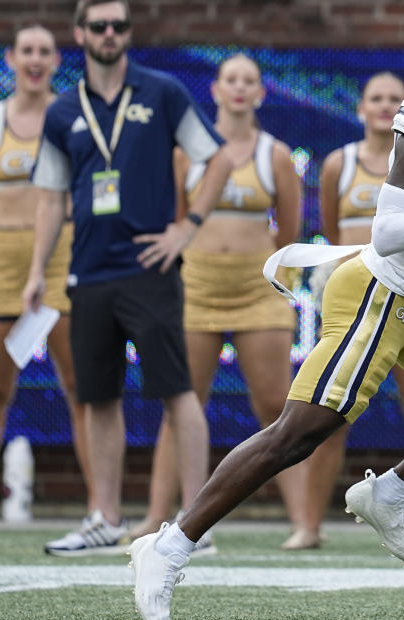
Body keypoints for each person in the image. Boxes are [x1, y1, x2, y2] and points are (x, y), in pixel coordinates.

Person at [129, 10, 404, 620]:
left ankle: (389, 492)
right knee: (298, 433)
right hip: (376, 290)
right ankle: (169, 545)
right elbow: (386, 235)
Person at [22, 0, 233, 556]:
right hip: (89, 270)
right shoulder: (63, 109)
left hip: (150, 267)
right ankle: (105, 518)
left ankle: (196, 521)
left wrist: (185, 228)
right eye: (99, 25)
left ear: (128, 34)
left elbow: (218, 160)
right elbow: (49, 199)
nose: (109, 33)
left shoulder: (161, 92)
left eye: (118, 25)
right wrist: (37, 270)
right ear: (80, 34)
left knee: (178, 390)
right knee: (97, 397)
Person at [125, 53, 302, 548]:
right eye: (231, 80)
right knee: (181, 403)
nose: (240, 88)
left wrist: (277, 284)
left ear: (261, 94)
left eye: (250, 80)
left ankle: (304, 523)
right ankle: (159, 517)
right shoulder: (187, 154)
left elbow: (288, 236)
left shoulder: (277, 155)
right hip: (197, 288)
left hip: (257, 292)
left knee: (279, 407)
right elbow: (178, 224)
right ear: (216, 91)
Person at [284, 71, 404, 553]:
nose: (384, 106)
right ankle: (309, 526)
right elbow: (335, 234)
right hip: (357, 299)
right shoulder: (339, 163)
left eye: (393, 99)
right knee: (328, 414)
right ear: (361, 108)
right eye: (375, 98)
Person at [0, 25, 92, 528]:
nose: (35, 60)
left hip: (62, 257)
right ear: (11, 59)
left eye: (44, 52)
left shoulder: (73, 119)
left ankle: (102, 510)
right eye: (26, 51)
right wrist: (7, 209)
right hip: (2, 260)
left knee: (80, 386)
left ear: (57, 61)